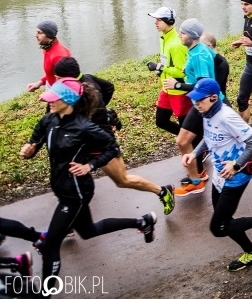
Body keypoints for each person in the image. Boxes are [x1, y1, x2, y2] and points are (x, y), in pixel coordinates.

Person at [20, 78, 158, 278]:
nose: (48, 101)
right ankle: (142, 222)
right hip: (61, 187)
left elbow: (112, 148)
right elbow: (34, 142)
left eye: (54, 98)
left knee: (51, 244)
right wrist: (28, 151)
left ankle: (44, 292)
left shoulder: (84, 127)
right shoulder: (48, 121)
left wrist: (90, 165)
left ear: (68, 100)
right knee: (87, 231)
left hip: (77, 191)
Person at [53, 57, 175, 214]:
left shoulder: (81, 91)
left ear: (67, 77)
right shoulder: (86, 78)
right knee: (69, 177)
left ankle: (163, 191)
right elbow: (109, 87)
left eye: (57, 78)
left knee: (122, 180)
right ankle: (69, 218)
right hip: (84, 143)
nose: (55, 81)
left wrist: (100, 112)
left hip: (101, 143)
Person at [182, 78, 252, 271]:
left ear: (212, 97)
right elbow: (209, 138)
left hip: (237, 177)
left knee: (218, 228)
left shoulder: (226, 117)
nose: (195, 103)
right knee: (225, 221)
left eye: (199, 100)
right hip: (220, 176)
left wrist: (236, 165)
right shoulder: (206, 112)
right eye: (194, 99)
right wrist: (194, 153)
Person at [164, 18, 217, 195]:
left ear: (192, 36)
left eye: (183, 32)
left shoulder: (200, 55)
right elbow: (219, 63)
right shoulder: (195, 50)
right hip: (200, 102)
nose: (179, 34)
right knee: (182, 141)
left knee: (238, 140)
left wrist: (177, 85)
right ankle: (196, 180)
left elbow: (204, 85)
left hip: (211, 104)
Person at [146, 6, 192, 138]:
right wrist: (161, 71)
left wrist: (159, 67)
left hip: (179, 91)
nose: (155, 23)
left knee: (185, 126)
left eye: (159, 20)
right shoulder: (164, 38)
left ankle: (195, 145)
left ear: (169, 21)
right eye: (155, 20)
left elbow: (182, 72)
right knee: (161, 121)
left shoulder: (176, 44)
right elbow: (168, 64)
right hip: (166, 89)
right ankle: (190, 139)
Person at [25, 20, 71, 93]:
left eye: (39, 33)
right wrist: (39, 83)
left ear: (49, 35)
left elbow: (66, 83)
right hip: (51, 88)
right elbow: (51, 73)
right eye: (36, 32)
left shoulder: (59, 56)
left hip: (59, 94)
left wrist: (51, 96)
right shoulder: (48, 48)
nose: (36, 35)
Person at [201, 32, 230, 96]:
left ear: (210, 45)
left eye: (201, 45)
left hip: (218, 98)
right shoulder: (207, 59)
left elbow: (214, 85)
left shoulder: (222, 64)